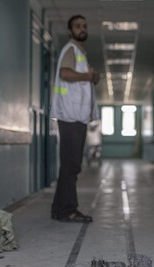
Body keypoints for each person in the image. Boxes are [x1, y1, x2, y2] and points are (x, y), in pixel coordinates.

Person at [50, 14, 100, 222]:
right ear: (70, 31)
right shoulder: (71, 49)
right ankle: (68, 210)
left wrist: (92, 77)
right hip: (70, 116)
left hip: (75, 117)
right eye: (78, 26)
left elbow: (79, 79)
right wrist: (87, 76)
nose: (82, 29)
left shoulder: (79, 52)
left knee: (69, 164)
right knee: (71, 165)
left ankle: (59, 209)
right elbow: (65, 74)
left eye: (84, 26)